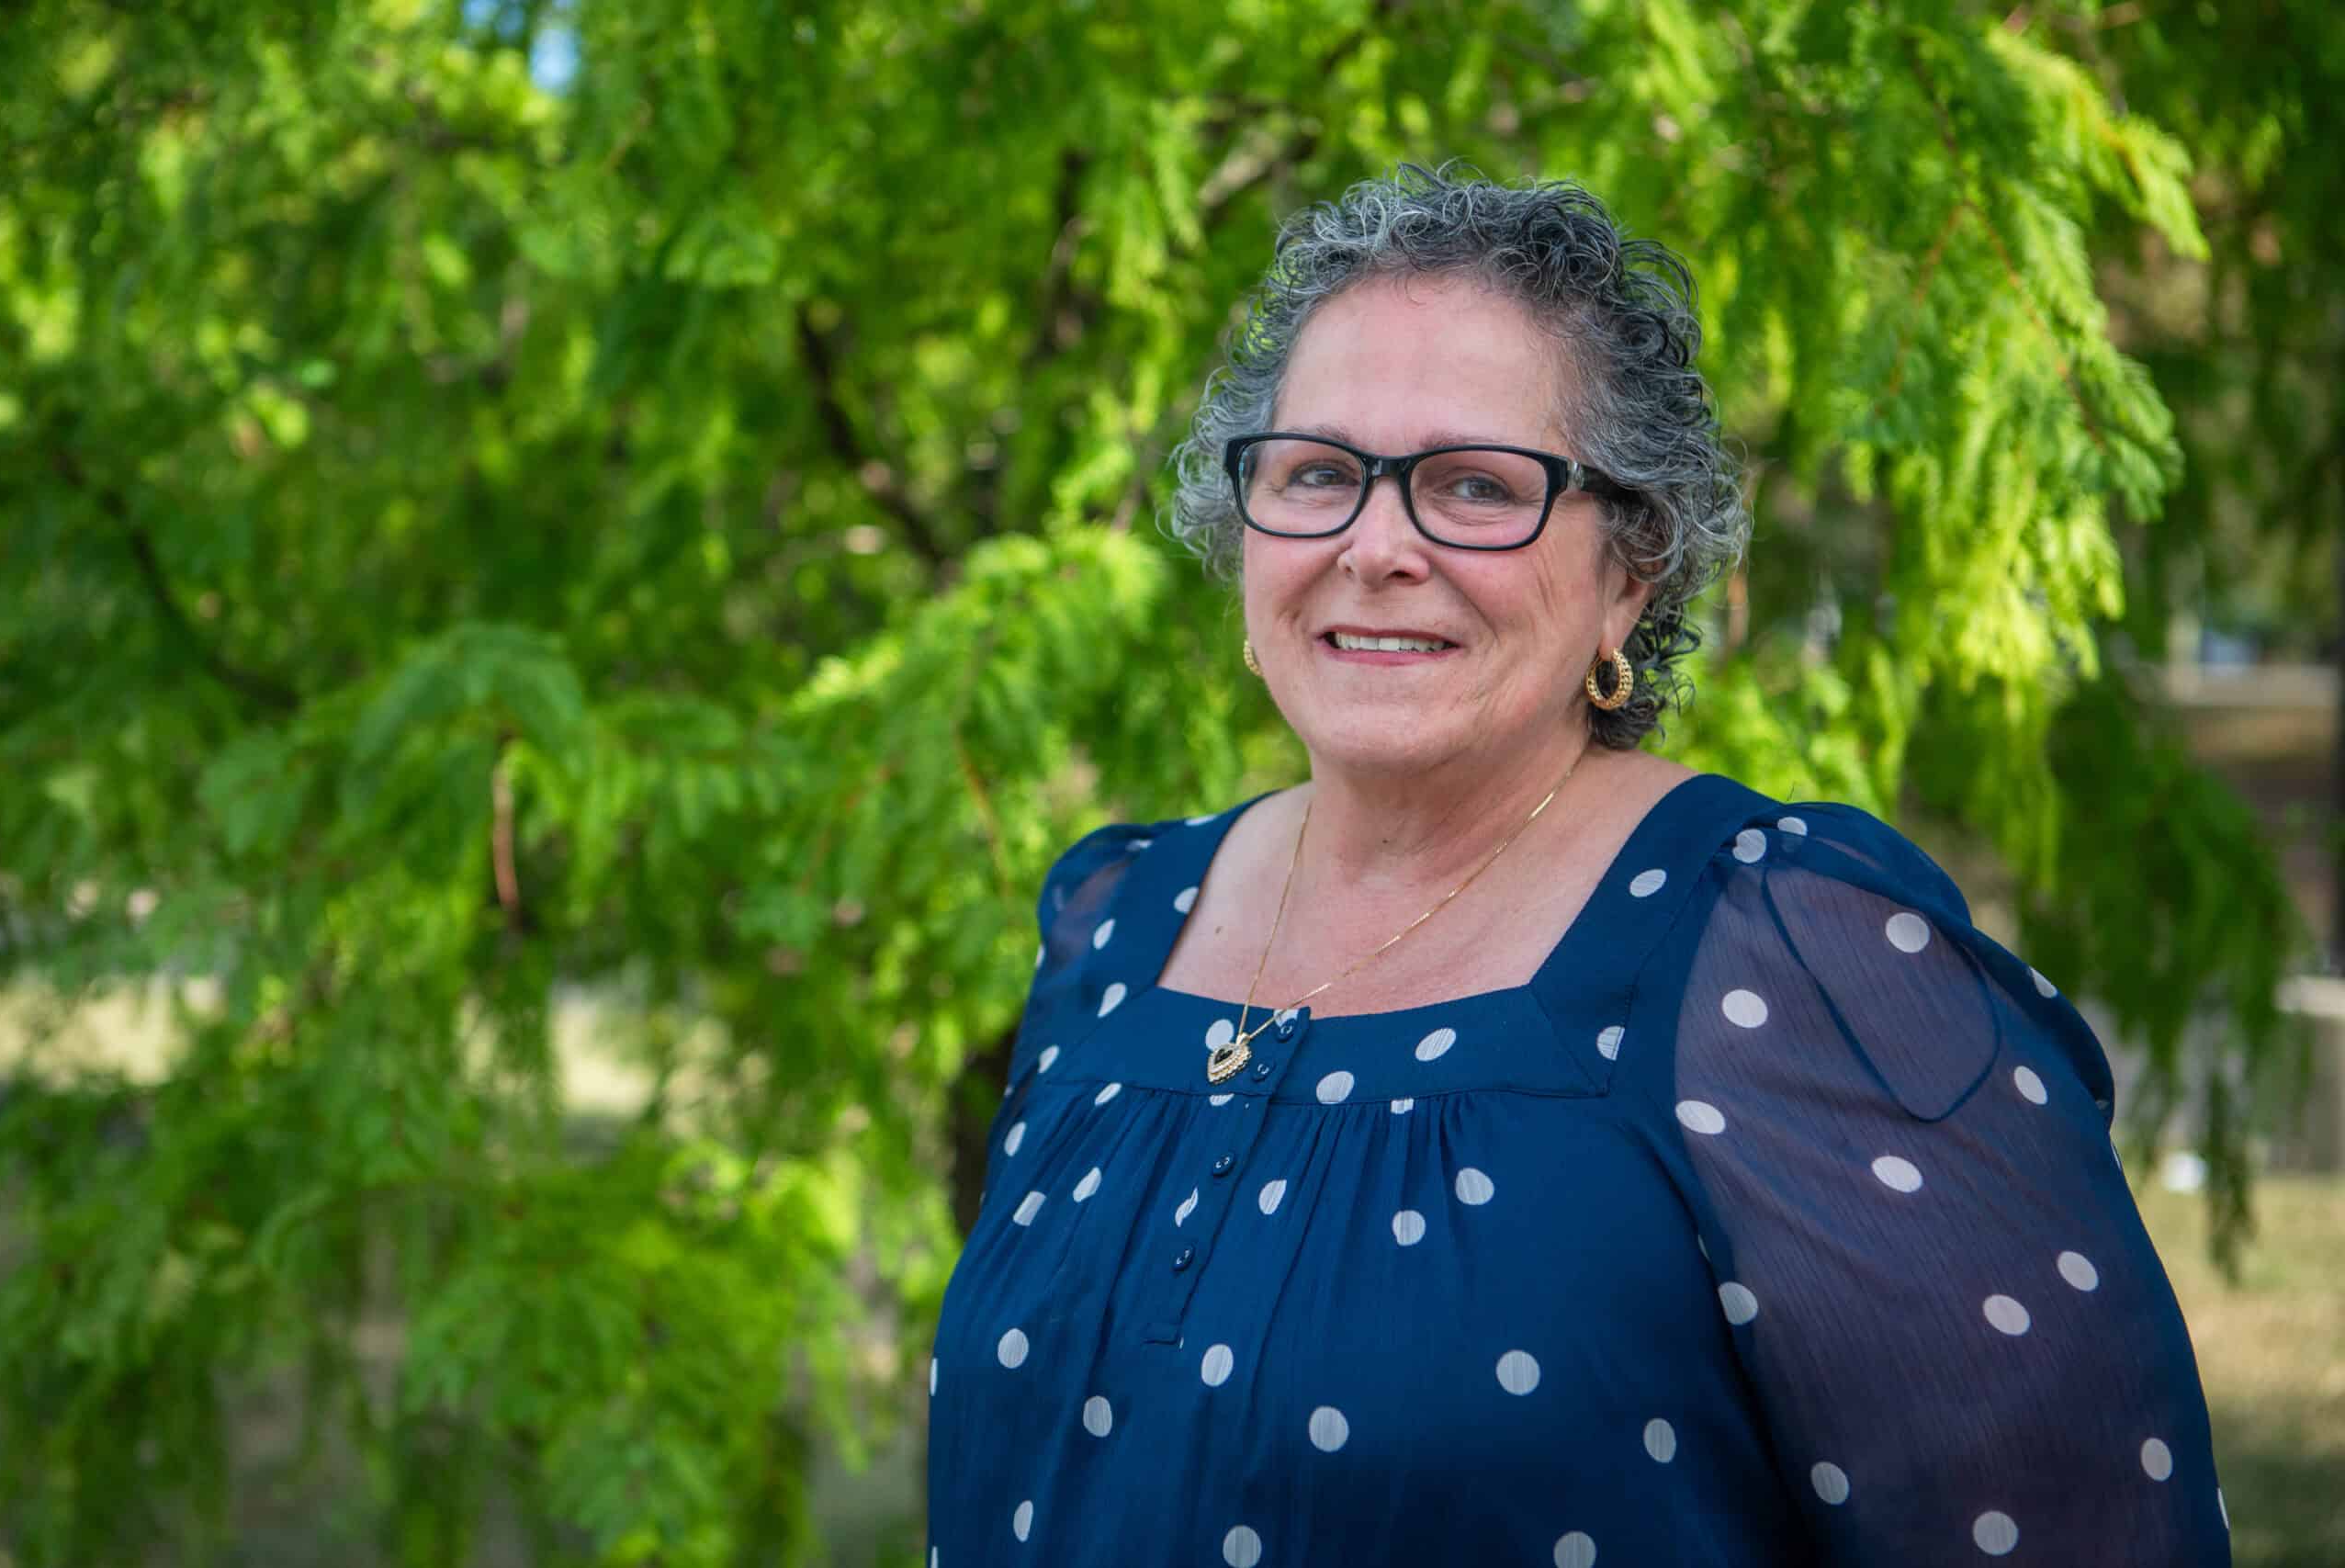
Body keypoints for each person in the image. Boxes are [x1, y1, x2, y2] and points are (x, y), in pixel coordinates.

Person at [924, 164, 2229, 1566]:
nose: (1375, 547)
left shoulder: (1791, 960)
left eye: (1474, 486)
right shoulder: (1115, 927)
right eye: (1316, 474)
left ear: (1632, 569)